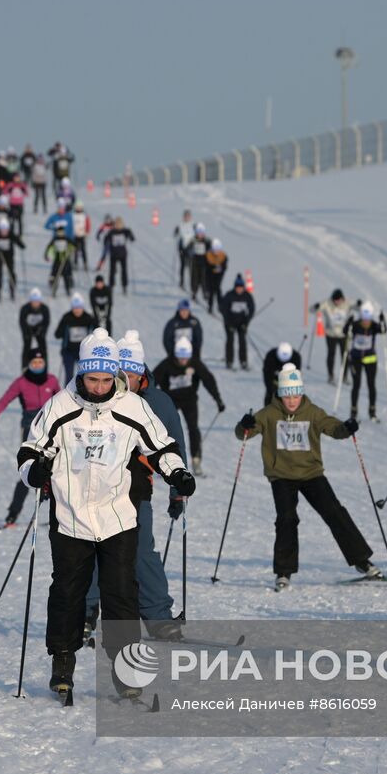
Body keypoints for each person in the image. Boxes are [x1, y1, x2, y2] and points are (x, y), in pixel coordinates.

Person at [17, 328, 195, 698]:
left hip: (117, 517)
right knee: (68, 593)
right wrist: (33, 471)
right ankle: (62, 662)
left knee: (121, 596)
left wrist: (176, 472)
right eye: (91, 379)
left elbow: (161, 446)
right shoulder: (60, 407)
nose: (99, 387)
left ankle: (127, 673)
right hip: (71, 518)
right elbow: (29, 451)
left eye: (105, 379)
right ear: (80, 373)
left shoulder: (132, 406)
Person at [235, 364, 379, 590]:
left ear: (301, 392)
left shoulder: (313, 412)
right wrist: (245, 425)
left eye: (295, 394)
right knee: (287, 518)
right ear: (280, 394)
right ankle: (283, 573)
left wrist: (346, 427)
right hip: (281, 476)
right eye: (286, 394)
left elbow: (333, 427)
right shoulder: (269, 414)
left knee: (334, 512)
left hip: (311, 473)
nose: (291, 400)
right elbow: (244, 433)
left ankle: (363, 561)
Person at [84, 330, 188, 642]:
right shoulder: (103, 397)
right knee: (92, 547)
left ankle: (157, 616)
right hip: (98, 486)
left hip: (137, 488)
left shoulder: (157, 401)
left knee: (142, 551)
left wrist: (177, 489)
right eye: (122, 371)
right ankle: (86, 611)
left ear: (142, 372)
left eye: (133, 372)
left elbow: (174, 445)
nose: (127, 378)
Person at [0, 348, 62, 527]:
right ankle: (13, 514)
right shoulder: (21, 382)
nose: (37, 366)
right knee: (29, 468)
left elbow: (62, 401)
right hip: (29, 427)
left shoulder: (52, 380)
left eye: (40, 363)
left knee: (56, 468)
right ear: (28, 364)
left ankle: (58, 514)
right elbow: (4, 400)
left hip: (50, 427)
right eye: (34, 363)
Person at [152, 337, 225, 476]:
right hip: (171, 401)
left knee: (193, 429)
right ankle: (165, 462)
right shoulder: (167, 364)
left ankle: (196, 460)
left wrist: (218, 399)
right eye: (180, 357)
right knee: (167, 430)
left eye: (186, 357)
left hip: (189, 400)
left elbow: (208, 379)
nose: (183, 361)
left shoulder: (195, 363)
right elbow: (152, 381)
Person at [346, 301, 387, 421]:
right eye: (364, 318)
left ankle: (372, 412)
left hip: (370, 359)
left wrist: (382, 321)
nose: (366, 321)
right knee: (356, 384)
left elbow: (383, 330)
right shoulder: (355, 325)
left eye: (368, 319)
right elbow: (345, 331)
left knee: (371, 385)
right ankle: (353, 412)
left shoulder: (374, 326)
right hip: (356, 359)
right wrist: (348, 322)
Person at [53, 294, 92, 383]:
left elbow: (96, 330)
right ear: (72, 308)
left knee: (84, 375)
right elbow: (57, 334)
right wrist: (63, 329)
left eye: (79, 307)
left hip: (83, 351)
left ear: (82, 307)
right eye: (75, 308)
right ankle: (67, 395)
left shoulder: (88, 318)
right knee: (69, 376)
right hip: (68, 351)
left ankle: (83, 395)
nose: (77, 310)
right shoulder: (67, 317)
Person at [219, 274, 255, 370]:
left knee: (242, 341)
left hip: (242, 323)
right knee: (230, 340)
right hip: (230, 322)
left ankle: (243, 361)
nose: (239, 290)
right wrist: (228, 323)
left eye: (241, 288)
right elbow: (223, 309)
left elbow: (251, 309)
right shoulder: (229, 295)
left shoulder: (247, 296)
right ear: (235, 287)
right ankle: (229, 361)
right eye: (237, 288)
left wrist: (246, 322)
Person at [0, 216, 24, 301]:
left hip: (9, 256)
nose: (4, 232)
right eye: (2, 229)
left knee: (11, 273)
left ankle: (12, 289)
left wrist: (20, 243)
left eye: (5, 229)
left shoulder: (11, 235)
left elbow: (20, 244)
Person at [318, 289, 352, 383]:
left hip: (343, 335)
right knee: (331, 354)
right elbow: (317, 307)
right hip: (331, 335)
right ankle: (330, 375)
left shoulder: (347, 303)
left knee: (345, 356)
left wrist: (359, 304)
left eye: (339, 300)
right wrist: (316, 307)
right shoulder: (327, 303)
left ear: (342, 299)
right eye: (335, 300)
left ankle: (345, 376)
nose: (337, 302)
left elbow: (357, 305)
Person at [98, 216, 135, 294]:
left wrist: (131, 237)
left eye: (120, 224)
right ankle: (111, 286)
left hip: (122, 255)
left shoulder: (125, 231)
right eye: (117, 225)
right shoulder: (112, 232)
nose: (118, 226)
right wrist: (106, 242)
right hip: (114, 255)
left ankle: (124, 286)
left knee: (124, 271)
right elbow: (106, 238)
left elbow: (131, 236)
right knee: (112, 271)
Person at [262, 341, 302, 406]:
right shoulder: (270, 356)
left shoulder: (296, 358)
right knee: (270, 397)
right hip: (273, 382)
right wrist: (270, 388)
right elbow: (267, 375)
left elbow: (296, 378)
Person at [19, 288, 50, 364]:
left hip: (39, 329)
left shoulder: (44, 309)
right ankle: (25, 367)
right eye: (33, 301)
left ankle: (44, 366)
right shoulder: (25, 308)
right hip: (28, 329)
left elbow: (46, 322)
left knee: (43, 347)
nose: (35, 303)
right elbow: (22, 322)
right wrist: (26, 332)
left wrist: (42, 331)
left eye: (37, 301)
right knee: (27, 347)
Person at [45, 227, 76, 296]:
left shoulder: (66, 239)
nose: (60, 234)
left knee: (66, 275)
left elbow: (73, 245)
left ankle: (68, 289)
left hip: (65, 260)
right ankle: (54, 289)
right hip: (57, 260)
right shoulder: (55, 239)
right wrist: (46, 255)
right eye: (59, 232)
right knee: (56, 275)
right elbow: (49, 247)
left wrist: (71, 249)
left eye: (62, 232)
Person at [202, 238, 228, 312]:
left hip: (219, 275)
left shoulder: (223, 256)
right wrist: (213, 267)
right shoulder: (208, 255)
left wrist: (221, 268)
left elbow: (225, 266)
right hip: (210, 275)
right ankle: (210, 306)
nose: (216, 251)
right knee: (211, 290)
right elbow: (206, 266)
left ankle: (220, 306)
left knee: (218, 289)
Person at [187, 223, 211, 297]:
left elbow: (210, 250)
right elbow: (188, 249)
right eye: (198, 233)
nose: (200, 235)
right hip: (194, 261)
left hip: (204, 261)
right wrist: (189, 253)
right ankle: (194, 291)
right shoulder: (193, 240)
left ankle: (205, 292)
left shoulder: (207, 241)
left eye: (202, 233)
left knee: (204, 277)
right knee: (195, 277)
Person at [175, 210, 195, 290]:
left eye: (188, 216)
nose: (187, 217)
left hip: (190, 248)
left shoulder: (193, 225)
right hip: (182, 248)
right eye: (185, 216)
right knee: (183, 266)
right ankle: (182, 282)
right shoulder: (180, 225)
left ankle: (192, 283)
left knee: (191, 267)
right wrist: (176, 232)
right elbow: (175, 234)